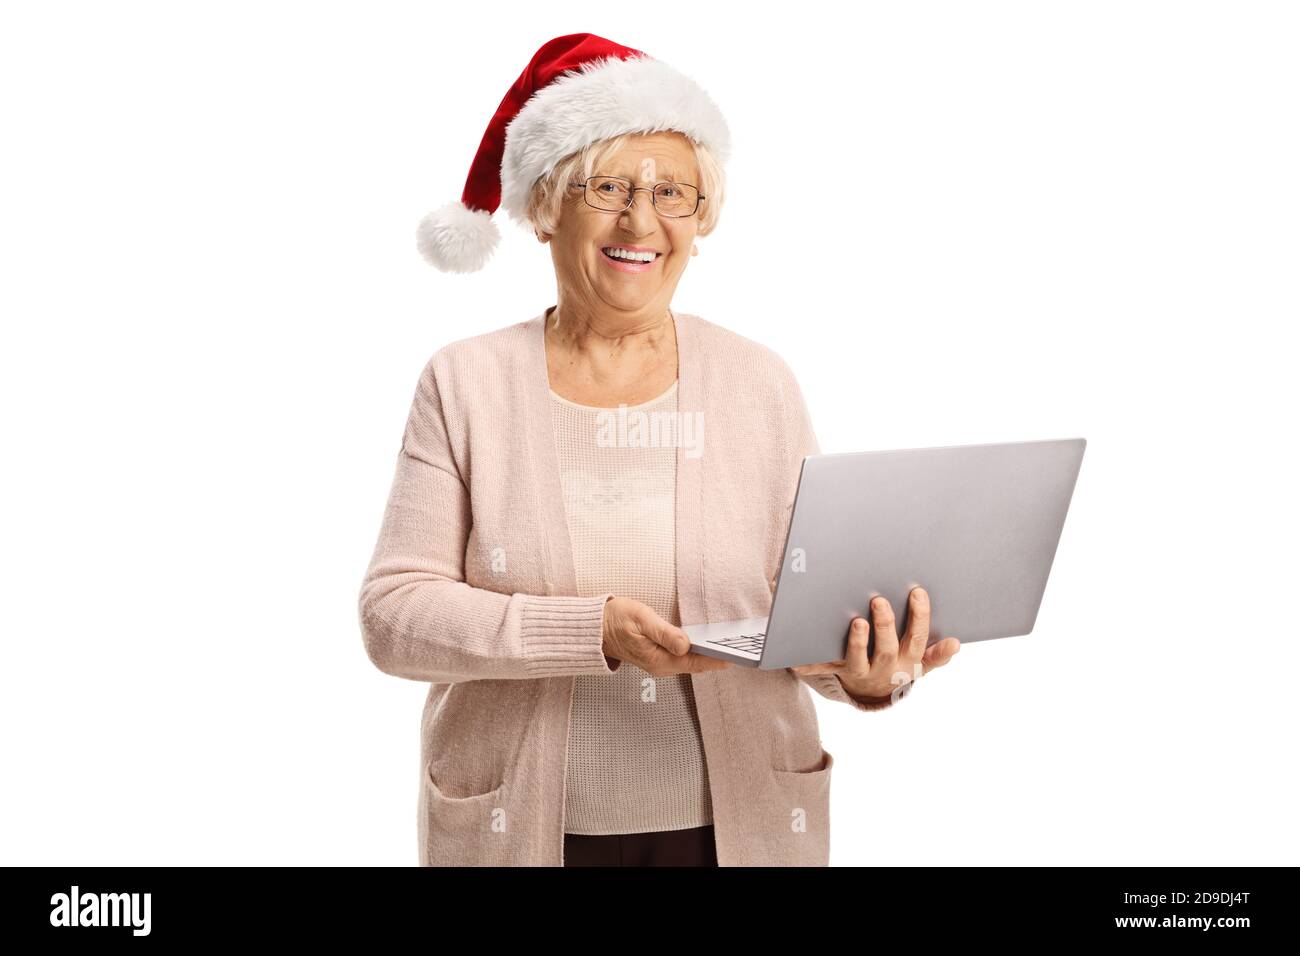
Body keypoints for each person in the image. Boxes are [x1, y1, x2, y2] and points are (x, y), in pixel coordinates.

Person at [358, 33, 960, 868]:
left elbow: (803, 617)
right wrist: (589, 631)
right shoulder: (465, 384)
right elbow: (394, 618)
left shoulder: (759, 383)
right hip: (526, 834)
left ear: (699, 220)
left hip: (737, 833)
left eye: (673, 192)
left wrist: (864, 675)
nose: (641, 220)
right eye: (607, 185)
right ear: (544, 205)